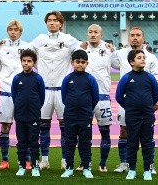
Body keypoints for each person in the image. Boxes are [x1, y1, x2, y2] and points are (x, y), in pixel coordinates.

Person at [30, 11, 81, 170]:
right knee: (43, 126)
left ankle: (65, 159)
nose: (52, 23)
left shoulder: (69, 39)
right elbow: (25, 53)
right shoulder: (40, 39)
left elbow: (82, 53)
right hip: (44, 90)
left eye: (55, 20)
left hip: (63, 90)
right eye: (49, 20)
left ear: (61, 23)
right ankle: (44, 159)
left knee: (65, 127)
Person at [111, 27, 158, 174]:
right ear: (128, 38)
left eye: (138, 35)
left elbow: (157, 78)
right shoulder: (120, 54)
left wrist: (155, 100)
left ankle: (150, 166)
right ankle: (124, 163)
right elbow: (110, 62)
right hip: (127, 102)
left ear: (143, 38)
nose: (134, 37)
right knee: (123, 131)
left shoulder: (151, 58)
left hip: (145, 103)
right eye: (132, 35)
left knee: (147, 134)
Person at [76, 24, 114, 172]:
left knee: (105, 131)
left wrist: (113, 49)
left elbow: (122, 63)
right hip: (85, 98)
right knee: (83, 132)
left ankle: (103, 163)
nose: (93, 34)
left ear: (101, 34)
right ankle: (85, 162)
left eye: (96, 32)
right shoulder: (81, 49)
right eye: (90, 32)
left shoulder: (110, 50)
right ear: (87, 34)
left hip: (103, 97)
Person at [0, 20, 30, 170]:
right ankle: (5, 160)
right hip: (6, 92)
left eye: (16, 29)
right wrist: (4, 80)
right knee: (5, 126)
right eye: (10, 29)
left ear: (20, 32)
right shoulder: (1, 47)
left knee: (24, 126)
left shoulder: (28, 47)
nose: (13, 32)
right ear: (7, 31)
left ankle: (26, 160)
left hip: (23, 92)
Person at [60, 50, 99, 178]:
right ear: (72, 63)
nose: (80, 64)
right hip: (70, 116)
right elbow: (64, 97)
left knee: (85, 143)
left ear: (87, 63)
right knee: (70, 142)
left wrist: (87, 109)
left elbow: (95, 97)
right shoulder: (68, 79)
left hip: (85, 116)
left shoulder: (90, 79)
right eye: (77, 62)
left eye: (83, 62)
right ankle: (69, 168)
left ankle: (86, 168)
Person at [12, 49, 45, 177]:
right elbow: (15, 96)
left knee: (34, 142)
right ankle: (21, 166)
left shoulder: (38, 78)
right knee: (21, 142)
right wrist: (20, 107)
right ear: (21, 62)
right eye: (24, 61)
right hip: (20, 116)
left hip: (34, 116)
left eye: (29, 61)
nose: (26, 63)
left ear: (34, 63)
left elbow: (41, 97)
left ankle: (35, 166)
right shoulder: (17, 78)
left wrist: (35, 108)